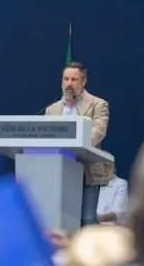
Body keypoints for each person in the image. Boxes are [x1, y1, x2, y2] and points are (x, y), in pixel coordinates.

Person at [46, 61, 110, 227]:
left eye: (74, 80)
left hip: (87, 170)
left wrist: (78, 144)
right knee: (60, 222)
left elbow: (99, 130)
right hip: (58, 171)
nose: (69, 84)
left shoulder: (98, 104)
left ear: (83, 81)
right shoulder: (52, 110)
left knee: (87, 220)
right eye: (65, 79)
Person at [96, 158, 128, 225]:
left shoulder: (120, 183)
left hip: (111, 229)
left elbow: (118, 213)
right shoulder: (93, 185)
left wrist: (96, 219)